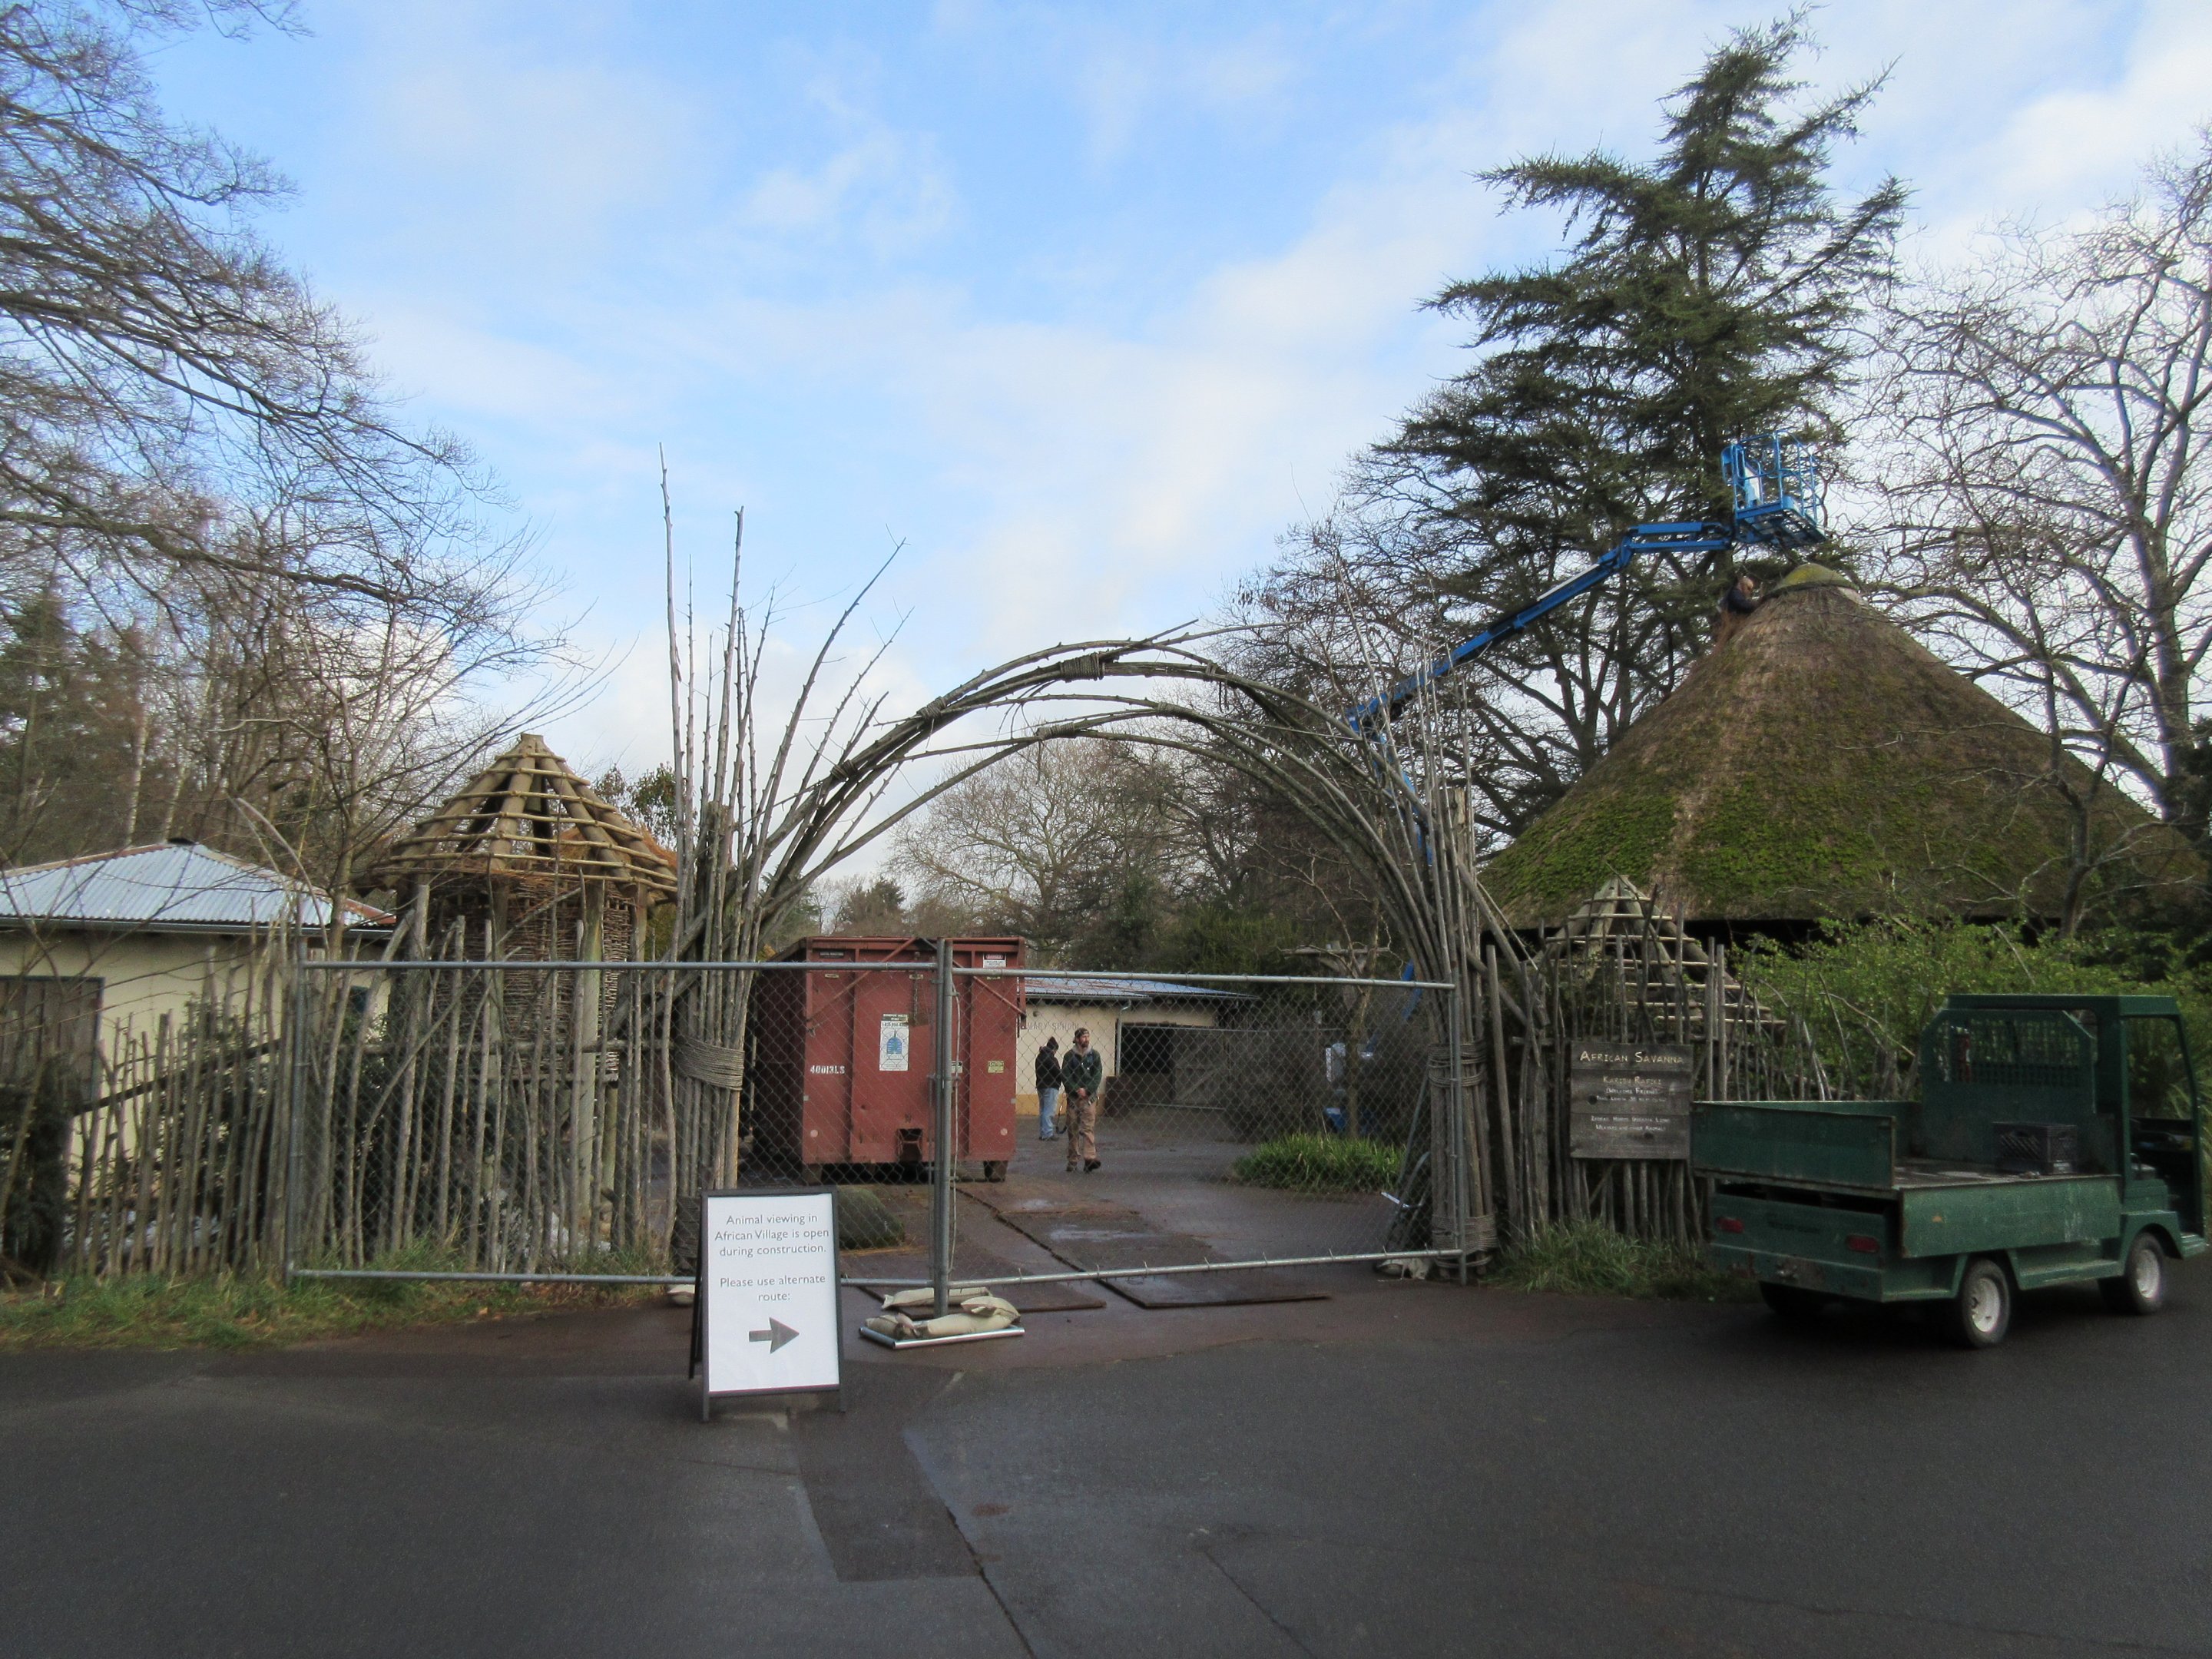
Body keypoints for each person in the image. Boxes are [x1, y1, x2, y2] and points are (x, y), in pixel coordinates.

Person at [1061, 1027, 1104, 1174]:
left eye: (1087, 1036)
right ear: (1077, 1039)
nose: (1086, 1040)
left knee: (1088, 1129)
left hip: (1089, 1099)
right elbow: (1065, 1076)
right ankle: (1072, 1160)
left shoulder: (1094, 1056)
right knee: (1072, 1131)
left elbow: (1097, 1075)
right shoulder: (1069, 1057)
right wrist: (1075, 1090)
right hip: (1073, 1099)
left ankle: (1090, 1159)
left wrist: (1088, 1090)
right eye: (1083, 1037)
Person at [1716, 571, 1760, 644]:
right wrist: (1755, 606)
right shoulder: (1735, 592)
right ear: (1742, 585)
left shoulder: (1733, 593)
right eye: (1748, 588)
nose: (1749, 592)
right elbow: (1742, 605)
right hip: (1728, 624)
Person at [1035, 1035, 1064, 1141]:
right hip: (1051, 1086)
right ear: (1054, 1049)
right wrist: (1064, 1078)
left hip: (1041, 1086)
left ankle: (1043, 1133)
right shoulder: (1051, 1058)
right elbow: (1056, 1071)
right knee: (1049, 1110)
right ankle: (1048, 1133)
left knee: (1043, 1110)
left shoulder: (1040, 1057)